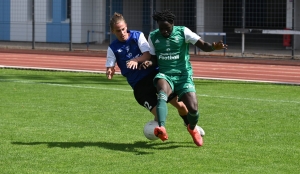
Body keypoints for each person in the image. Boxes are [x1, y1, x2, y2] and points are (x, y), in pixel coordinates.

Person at [105, 12, 205, 137]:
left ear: (126, 26)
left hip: (155, 76)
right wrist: (110, 71)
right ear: (113, 31)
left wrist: (136, 60)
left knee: (182, 106)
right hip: (140, 87)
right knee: (159, 113)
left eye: (123, 29)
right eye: (118, 31)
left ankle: (191, 127)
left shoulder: (137, 36)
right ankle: (160, 131)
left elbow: (148, 54)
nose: (122, 33)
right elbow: (109, 66)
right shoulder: (112, 48)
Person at [147, 9, 227, 146]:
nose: (164, 32)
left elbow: (203, 46)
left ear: (173, 24)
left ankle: (191, 127)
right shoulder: (153, 36)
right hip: (165, 75)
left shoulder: (183, 32)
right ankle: (161, 127)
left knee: (194, 109)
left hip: (183, 76)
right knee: (161, 94)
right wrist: (149, 62)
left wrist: (214, 47)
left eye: (167, 28)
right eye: (161, 29)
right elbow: (154, 58)